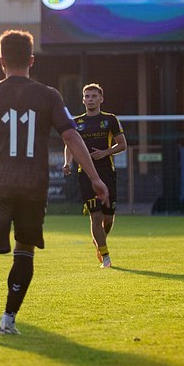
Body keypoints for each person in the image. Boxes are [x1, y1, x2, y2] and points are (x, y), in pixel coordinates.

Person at [0, 30, 109, 339]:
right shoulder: (49, 96)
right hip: (33, 187)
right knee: (24, 252)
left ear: (1, 61)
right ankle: (8, 320)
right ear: (32, 60)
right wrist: (95, 177)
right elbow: (71, 136)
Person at [62, 84, 127, 268]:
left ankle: (100, 240)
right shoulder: (76, 122)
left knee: (108, 218)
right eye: (87, 96)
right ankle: (106, 257)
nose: (90, 99)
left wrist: (105, 152)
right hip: (86, 175)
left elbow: (122, 144)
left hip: (107, 172)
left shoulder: (110, 119)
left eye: (93, 96)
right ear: (83, 100)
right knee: (96, 217)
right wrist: (67, 162)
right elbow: (69, 145)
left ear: (101, 99)